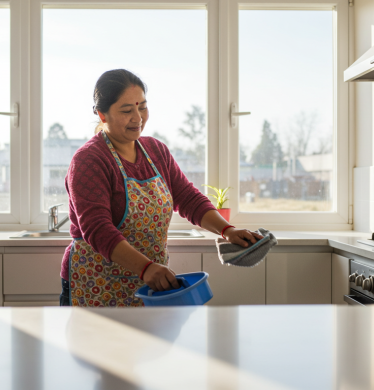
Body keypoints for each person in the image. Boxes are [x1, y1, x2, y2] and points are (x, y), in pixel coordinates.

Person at [60, 69, 262, 307]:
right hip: (97, 283)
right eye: (127, 111)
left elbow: (187, 198)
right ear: (102, 115)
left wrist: (227, 230)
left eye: (142, 107)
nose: (138, 117)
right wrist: (145, 267)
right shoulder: (90, 160)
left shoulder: (155, 151)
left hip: (151, 281)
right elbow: (97, 229)